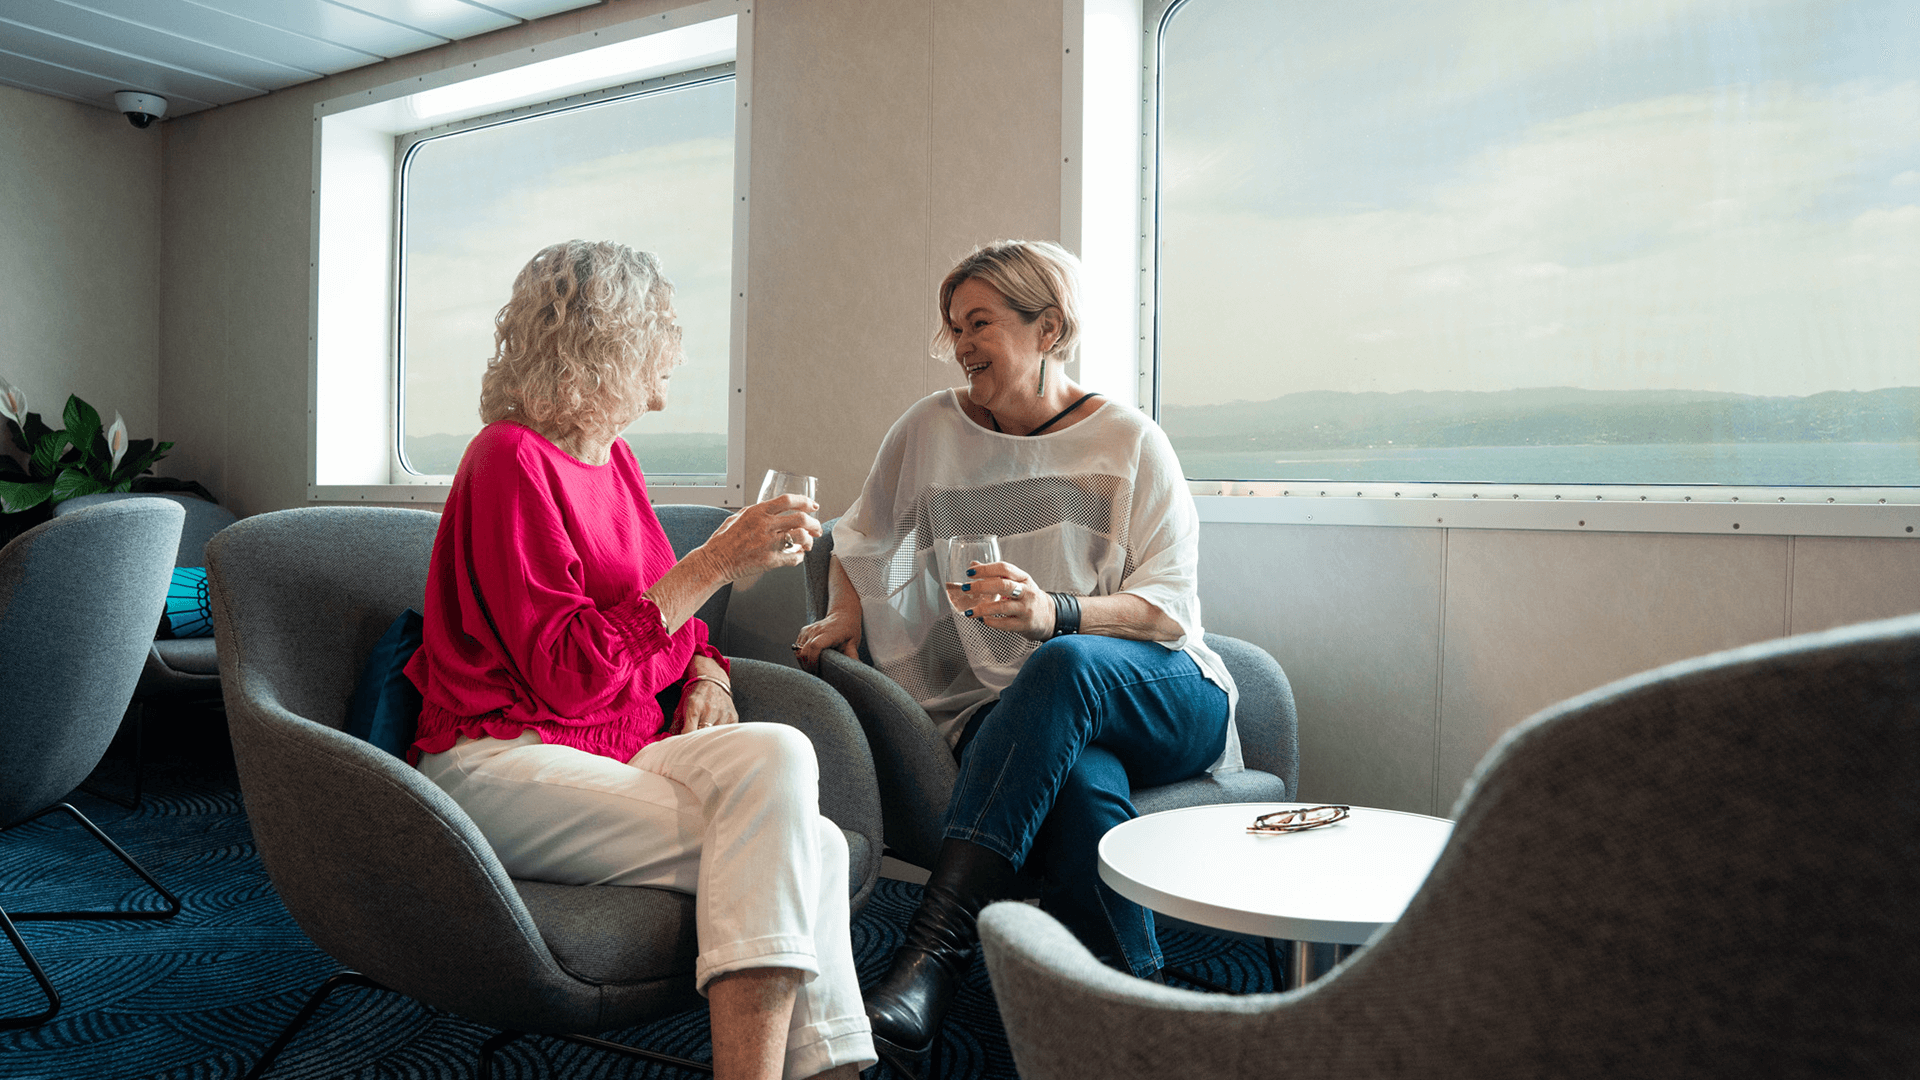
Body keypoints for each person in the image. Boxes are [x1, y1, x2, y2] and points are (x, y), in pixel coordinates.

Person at [406, 241, 874, 1080]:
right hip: (501, 760)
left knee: (785, 756)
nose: (679, 349)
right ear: (609, 339)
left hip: (611, 749)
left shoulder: (614, 459)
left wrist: (710, 673)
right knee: (816, 850)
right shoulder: (508, 459)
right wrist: (717, 562)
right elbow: (568, 672)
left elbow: (673, 624)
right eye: (664, 327)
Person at [794, 239, 1239, 1073]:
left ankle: (934, 950)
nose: (962, 343)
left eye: (981, 322)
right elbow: (859, 533)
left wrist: (1055, 612)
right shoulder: (930, 430)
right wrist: (841, 615)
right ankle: (1139, 1013)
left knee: (1062, 662)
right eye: (954, 326)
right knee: (1076, 782)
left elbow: (1168, 609)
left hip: (1168, 693)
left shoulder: (1131, 442)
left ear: (1050, 328)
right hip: (1025, 714)